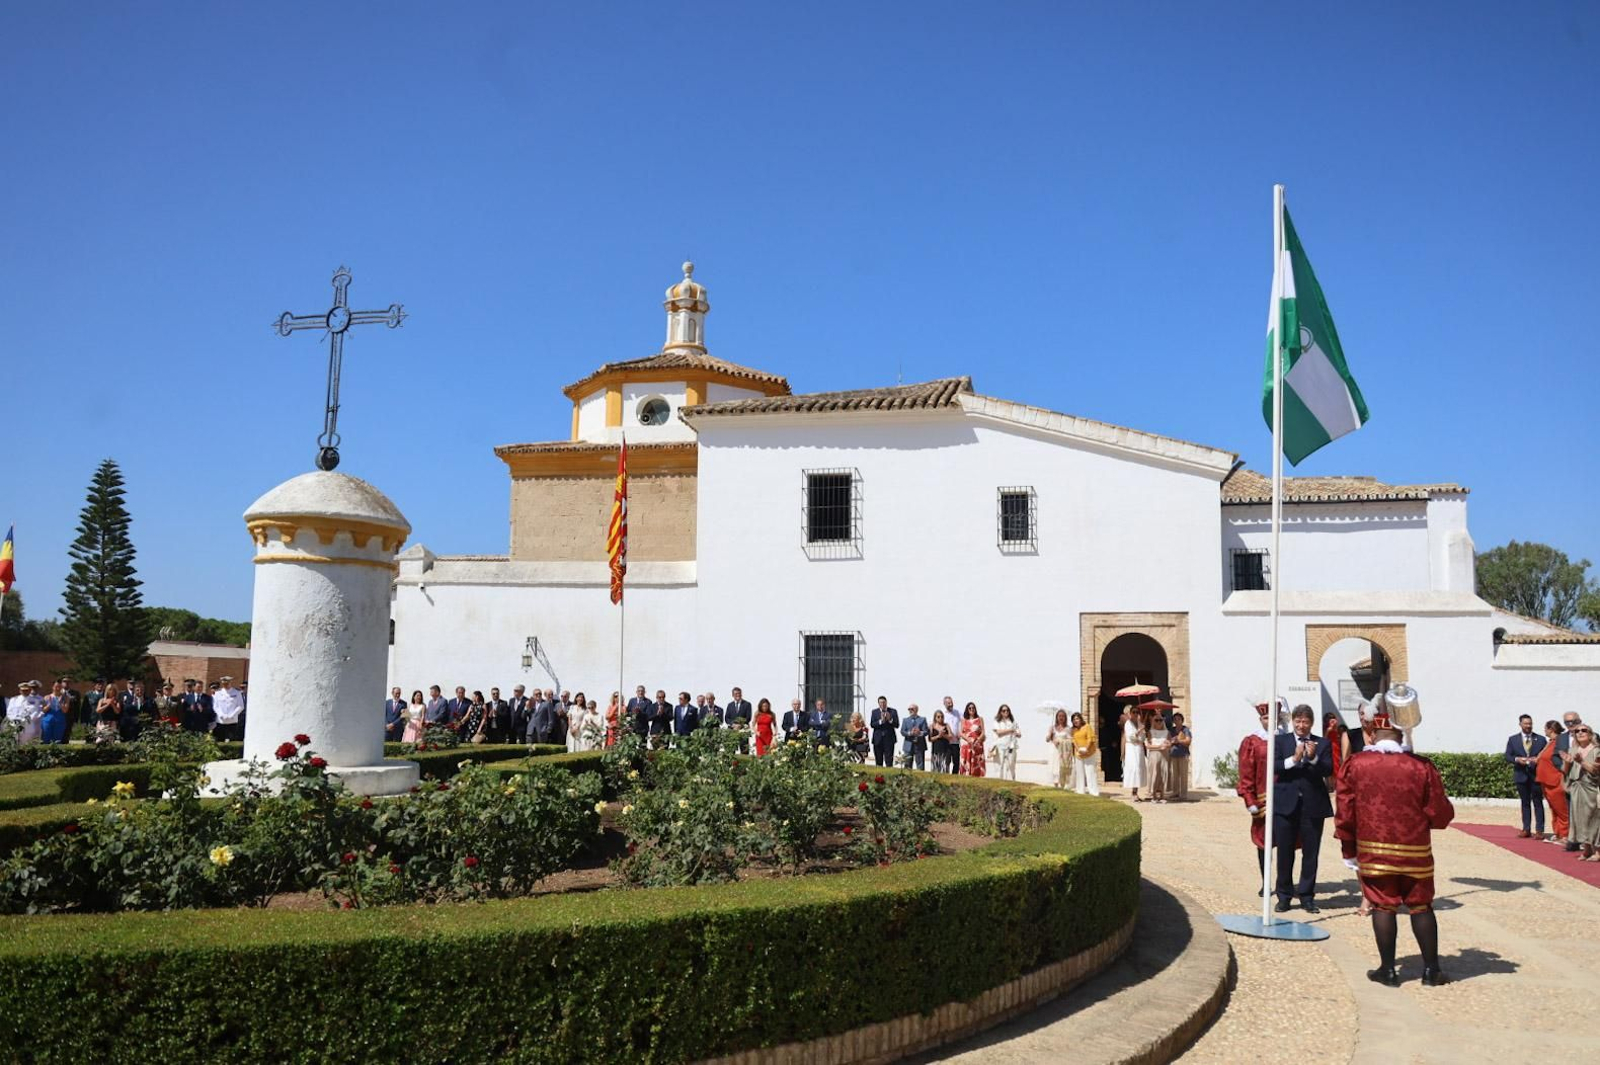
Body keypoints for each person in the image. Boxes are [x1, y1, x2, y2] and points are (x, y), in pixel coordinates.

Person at [1334, 693, 1455, 987]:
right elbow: (1440, 814)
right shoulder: (1422, 766)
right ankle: (1431, 970)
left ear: (1372, 733)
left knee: (1383, 906)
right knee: (1421, 906)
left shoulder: (1356, 765)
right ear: (1401, 732)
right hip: (1416, 851)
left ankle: (1387, 970)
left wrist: (1349, 850)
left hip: (1374, 851)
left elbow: (1345, 812)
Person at [1271, 705, 1333, 913]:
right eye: (1298, 721)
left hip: (1312, 804)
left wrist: (1313, 758)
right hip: (1286, 803)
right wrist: (1294, 759)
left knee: (1310, 853)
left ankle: (1307, 896)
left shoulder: (1322, 743)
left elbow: (1328, 769)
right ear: (1293, 722)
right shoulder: (1281, 741)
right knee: (1285, 852)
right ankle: (1284, 896)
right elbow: (1274, 766)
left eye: (1305, 721)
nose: (1301, 725)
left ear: (1311, 723)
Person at [1237, 701, 1275, 888]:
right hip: (1262, 799)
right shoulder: (1252, 741)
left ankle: (1285, 884)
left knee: (1285, 843)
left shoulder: (1285, 738)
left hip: (1284, 798)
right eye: (1266, 717)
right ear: (1261, 719)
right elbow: (1246, 771)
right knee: (1263, 842)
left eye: (1272, 717)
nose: (1269, 720)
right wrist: (1249, 798)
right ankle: (1265, 881)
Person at [1504, 713, 1548, 838]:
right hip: (1521, 775)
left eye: (1530, 723)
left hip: (1535, 776)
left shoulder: (1540, 739)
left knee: (1538, 802)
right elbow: (1508, 755)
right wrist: (1517, 759)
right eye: (1526, 724)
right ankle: (1526, 829)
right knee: (1525, 803)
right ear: (1520, 724)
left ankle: (1539, 830)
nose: (1528, 726)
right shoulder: (1513, 739)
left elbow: (1545, 756)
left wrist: (1537, 760)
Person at [1563, 723, 1600, 860]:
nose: (1580, 733)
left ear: (1590, 734)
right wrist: (1567, 762)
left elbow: (1596, 771)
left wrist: (1582, 761)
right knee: (1579, 819)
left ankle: (1597, 851)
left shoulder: (1597, 750)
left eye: (1583, 730)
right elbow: (1565, 771)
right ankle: (1587, 849)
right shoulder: (1572, 750)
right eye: (1577, 731)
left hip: (1591, 788)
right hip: (1576, 788)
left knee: (1593, 819)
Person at [1553, 711, 1585, 852]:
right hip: (1569, 779)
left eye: (1574, 721)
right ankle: (1574, 840)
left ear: (1580, 720)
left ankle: (1588, 841)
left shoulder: (1590, 735)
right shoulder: (1561, 738)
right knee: (1571, 809)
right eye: (1567, 723)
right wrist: (1563, 765)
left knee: (1587, 810)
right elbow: (1555, 757)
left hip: (1586, 778)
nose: (1571, 725)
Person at [1535, 720, 1570, 844]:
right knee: (1554, 809)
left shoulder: (1559, 743)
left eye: (1546, 728)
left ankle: (1566, 835)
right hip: (1546, 781)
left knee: (1562, 810)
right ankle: (1558, 833)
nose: (1544, 730)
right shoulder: (1550, 743)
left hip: (1556, 781)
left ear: (1551, 729)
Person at [1144, 708, 1171, 802]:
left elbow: (1169, 743)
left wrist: (1168, 745)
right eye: (1156, 720)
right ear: (1153, 721)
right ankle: (1154, 795)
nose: (1159, 722)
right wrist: (1159, 747)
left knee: (1164, 774)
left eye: (1160, 720)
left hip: (1164, 756)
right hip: (1154, 756)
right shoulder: (1150, 732)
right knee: (1155, 775)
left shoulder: (1167, 732)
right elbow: (1148, 746)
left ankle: (1162, 795)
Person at [1121, 705, 1146, 800]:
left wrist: (1141, 736)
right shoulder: (1128, 723)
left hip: (1139, 748)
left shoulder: (1140, 723)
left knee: (1139, 768)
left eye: (1137, 712)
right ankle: (1133, 792)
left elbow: (1143, 737)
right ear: (1130, 713)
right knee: (1134, 768)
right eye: (1133, 712)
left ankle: (1136, 791)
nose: (1135, 714)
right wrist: (1139, 732)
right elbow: (1130, 737)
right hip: (1131, 748)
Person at [1072, 712, 1100, 796]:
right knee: (1079, 773)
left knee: (1090, 772)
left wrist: (1086, 749)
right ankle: (1080, 790)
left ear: (1080, 719)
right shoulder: (1073, 730)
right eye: (1074, 719)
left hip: (1089, 753)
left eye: (1077, 718)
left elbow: (1091, 738)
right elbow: (1074, 741)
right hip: (1078, 754)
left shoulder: (1087, 726)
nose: (1075, 721)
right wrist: (1078, 750)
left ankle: (1093, 791)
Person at [1045, 709, 1073, 788]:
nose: (1061, 718)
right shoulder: (1052, 728)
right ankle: (1055, 784)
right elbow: (1047, 740)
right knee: (1054, 765)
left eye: (1063, 716)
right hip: (1054, 749)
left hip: (1062, 751)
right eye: (1059, 716)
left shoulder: (1068, 728)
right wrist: (1050, 734)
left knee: (1061, 766)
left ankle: (1062, 784)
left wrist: (1061, 741)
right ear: (1056, 717)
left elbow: (1070, 740)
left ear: (1065, 718)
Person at [1168, 712, 1192, 800]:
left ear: (1182, 720)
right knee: (1174, 775)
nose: (1177, 721)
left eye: (1179, 719)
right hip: (1174, 754)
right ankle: (1175, 792)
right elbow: (1168, 741)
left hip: (1183, 754)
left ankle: (1184, 794)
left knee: (1183, 774)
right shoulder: (1172, 730)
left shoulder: (1185, 730)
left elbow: (1188, 741)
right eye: (1175, 719)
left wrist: (1178, 741)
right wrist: (1172, 741)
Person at [869, 696, 899, 768]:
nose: (882, 704)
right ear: (878, 703)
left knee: (889, 761)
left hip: (889, 740)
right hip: (878, 740)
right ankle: (879, 777)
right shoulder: (874, 712)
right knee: (878, 761)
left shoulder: (893, 711)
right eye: (881, 703)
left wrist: (890, 720)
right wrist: (880, 721)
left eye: (884, 702)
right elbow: (872, 724)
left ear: (886, 702)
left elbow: (897, 725)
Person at [213, 676, 245, 742]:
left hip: (232, 721)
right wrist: (221, 714)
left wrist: (232, 715)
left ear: (230, 682)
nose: (226, 685)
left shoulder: (237, 693)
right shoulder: (218, 693)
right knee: (219, 740)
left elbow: (241, 706)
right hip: (221, 721)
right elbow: (215, 706)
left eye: (227, 683)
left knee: (232, 741)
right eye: (224, 684)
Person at [992, 705, 1020, 781]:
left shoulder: (1013, 722)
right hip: (1000, 746)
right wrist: (1010, 731)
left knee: (1011, 765)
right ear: (1000, 712)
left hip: (1011, 746)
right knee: (999, 765)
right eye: (1003, 710)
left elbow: (1019, 733)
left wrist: (1015, 733)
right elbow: (998, 732)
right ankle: (999, 781)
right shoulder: (997, 721)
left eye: (1007, 710)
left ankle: (1011, 781)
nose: (1006, 712)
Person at [959, 702, 987, 777]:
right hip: (967, 744)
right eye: (970, 708)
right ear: (967, 710)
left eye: (973, 708)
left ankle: (977, 775)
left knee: (976, 761)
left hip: (977, 743)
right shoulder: (963, 720)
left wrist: (977, 740)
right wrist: (968, 739)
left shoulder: (980, 719)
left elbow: (983, 732)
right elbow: (961, 733)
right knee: (966, 761)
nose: (972, 709)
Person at [900, 704, 929, 770]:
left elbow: (926, 731)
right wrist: (910, 733)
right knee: (907, 765)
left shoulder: (922, 719)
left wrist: (919, 733)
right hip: (908, 745)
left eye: (912, 709)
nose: (910, 710)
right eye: (909, 709)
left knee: (920, 765)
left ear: (916, 710)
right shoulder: (905, 720)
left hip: (919, 745)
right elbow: (902, 731)